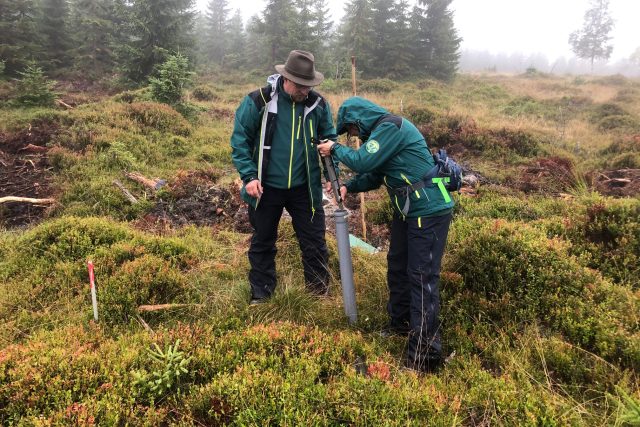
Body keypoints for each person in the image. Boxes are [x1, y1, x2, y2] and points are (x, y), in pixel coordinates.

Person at [317, 97, 454, 373]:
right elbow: (375, 175)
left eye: (352, 131)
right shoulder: (382, 133)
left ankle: (425, 356)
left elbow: (362, 161)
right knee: (398, 268)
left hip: (428, 211)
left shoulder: (391, 127)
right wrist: (349, 187)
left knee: (421, 277)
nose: (354, 137)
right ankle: (402, 326)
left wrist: (335, 148)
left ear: (359, 121)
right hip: (408, 211)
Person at [231, 50, 338, 304]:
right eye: (302, 86)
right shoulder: (259, 100)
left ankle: (318, 294)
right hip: (265, 187)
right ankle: (261, 294)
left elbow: (329, 140)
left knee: (314, 242)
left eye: (309, 85)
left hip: (305, 189)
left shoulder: (318, 105)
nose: (306, 91)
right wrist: (249, 177)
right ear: (285, 79)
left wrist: (333, 176)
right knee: (263, 241)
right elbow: (240, 141)